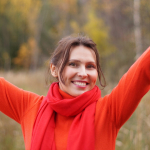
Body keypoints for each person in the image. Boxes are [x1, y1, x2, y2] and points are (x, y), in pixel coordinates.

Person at [0, 35, 150, 150]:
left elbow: (143, 69)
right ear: (54, 69)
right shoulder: (30, 107)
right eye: (73, 64)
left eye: (90, 66)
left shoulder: (110, 111)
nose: (83, 73)